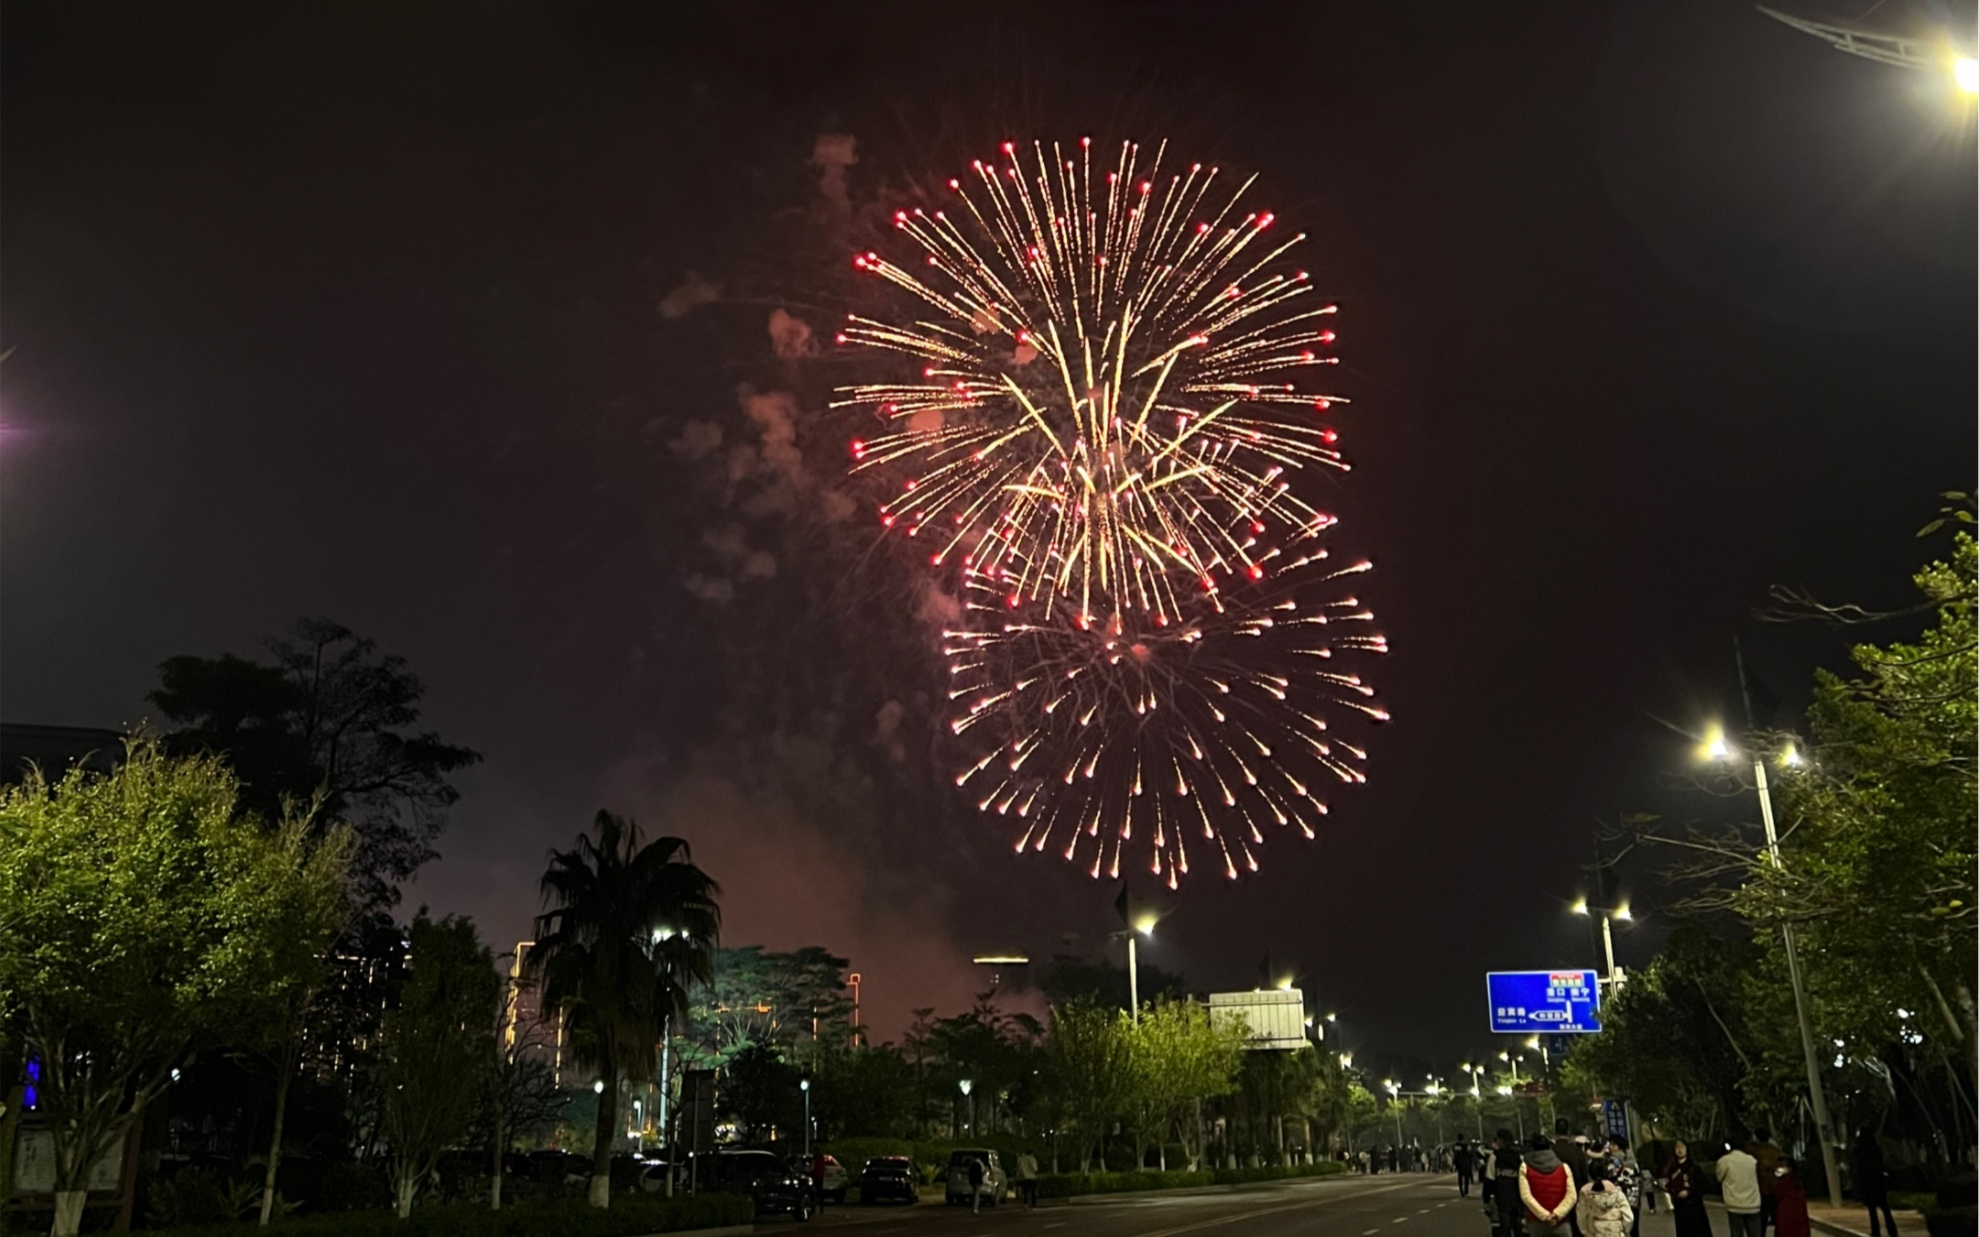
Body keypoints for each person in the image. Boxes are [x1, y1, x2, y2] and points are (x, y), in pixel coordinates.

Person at [1520, 1132, 1578, 1237]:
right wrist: (1557, 1214)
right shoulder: (1564, 1167)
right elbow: (1572, 1196)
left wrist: (1545, 1216)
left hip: (1536, 1223)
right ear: (1550, 1147)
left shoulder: (1525, 1167)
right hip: (1562, 1222)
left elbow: (1526, 1196)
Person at [1660, 1140, 1712, 1237]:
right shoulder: (1671, 1169)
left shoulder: (1694, 1168)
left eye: (1682, 1147)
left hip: (1694, 1208)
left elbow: (1703, 1186)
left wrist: (1689, 1192)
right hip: (1680, 1208)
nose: (1680, 1150)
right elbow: (1668, 1185)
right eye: (1677, 1147)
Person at [1853, 1128, 1898, 1237]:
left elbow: (1858, 1167)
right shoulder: (1875, 1149)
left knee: (1873, 1210)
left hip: (1868, 1183)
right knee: (1884, 1208)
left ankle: (1876, 1231)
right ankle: (1892, 1231)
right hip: (1878, 1182)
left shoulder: (1860, 1149)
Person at [1716, 1136, 1762, 1237]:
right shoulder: (1752, 1160)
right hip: (1753, 1203)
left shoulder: (1725, 1161)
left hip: (1734, 1204)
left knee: (1736, 1233)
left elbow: (1719, 1177)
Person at [1579, 1158, 1635, 1237]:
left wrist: (1586, 1232)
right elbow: (1629, 1218)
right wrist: (1624, 1230)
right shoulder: (1617, 1193)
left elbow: (1582, 1218)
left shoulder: (1585, 1193)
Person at [1605, 1135, 1642, 1237]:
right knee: (1634, 1228)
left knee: (1620, 1228)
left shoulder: (1614, 1160)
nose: (1611, 1147)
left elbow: (1610, 1177)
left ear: (1619, 1146)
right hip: (1634, 1197)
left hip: (1620, 1198)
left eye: (1613, 1144)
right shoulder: (1633, 1161)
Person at [1493, 1129, 1528, 1237]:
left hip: (1502, 1200)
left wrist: (1487, 1199)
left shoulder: (1494, 1158)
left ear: (1501, 1141)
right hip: (1517, 1199)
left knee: (1504, 1229)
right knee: (1519, 1229)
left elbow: (1489, 1180)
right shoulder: (1519, 1158)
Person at [1749, 1127, 1782, 1237]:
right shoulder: (1775, 1150)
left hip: (1760, 1188)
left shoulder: (1753, 1151)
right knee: (1777, 1218)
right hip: (1774, 1186)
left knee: (1761, 1220)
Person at [1771, 1158, 1809, 1237]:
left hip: (1786, 1212)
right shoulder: (1796, 1180)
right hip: (1793, 1212)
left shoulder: (1786, 1180)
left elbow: (1777, 1192)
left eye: (1782, 1166)